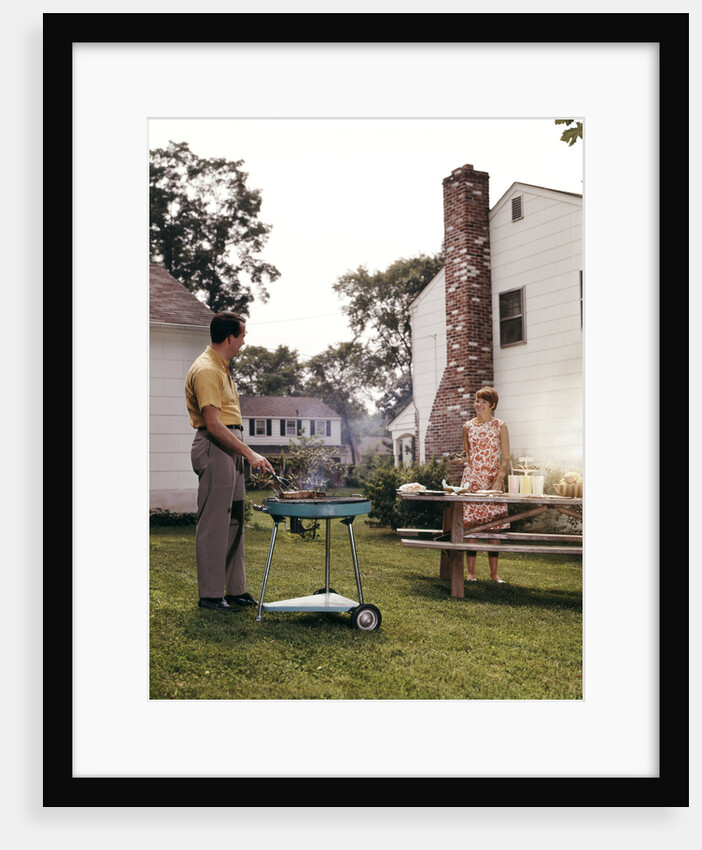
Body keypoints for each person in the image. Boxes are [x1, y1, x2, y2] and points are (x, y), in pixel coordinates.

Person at [185, 311, 275, 612]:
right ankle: (211, 595)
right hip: (215, 447)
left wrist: (243, 452)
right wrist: (250, 453)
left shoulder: (222, 368)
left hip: (229, 447)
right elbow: (213, 424)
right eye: (242, 338)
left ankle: (236, 591)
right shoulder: (207, 370)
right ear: (229, 338)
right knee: (214, 523)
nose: (243, 344)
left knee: (235, 520)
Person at [460, 386, 511, 583]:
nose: (478, 405)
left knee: (494, 528)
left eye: (483, 402)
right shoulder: (467, 426)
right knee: (470, 527)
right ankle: (471, 574)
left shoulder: (500, 426)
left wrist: (499, 479)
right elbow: (466, 455)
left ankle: (493, 574)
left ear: (493, 405)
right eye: (476, 401)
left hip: (493, 481)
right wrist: (460, 461)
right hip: (472, 481)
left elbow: (505, 457)